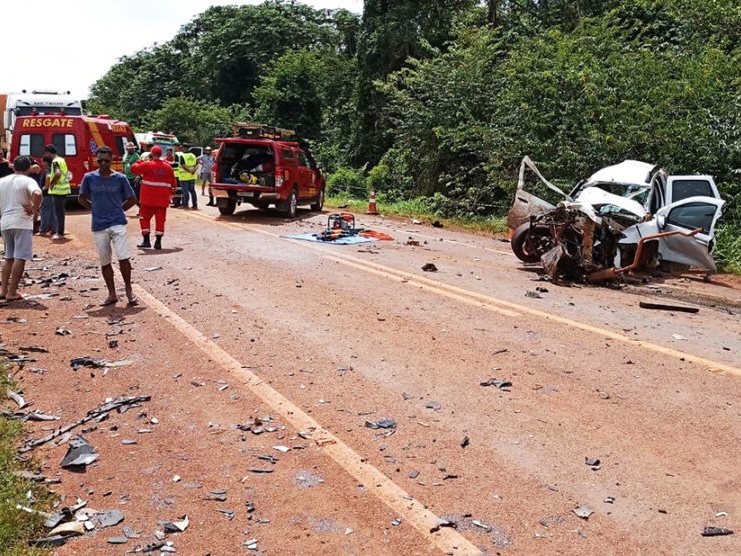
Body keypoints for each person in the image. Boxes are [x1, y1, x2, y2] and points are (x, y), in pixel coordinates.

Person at [78, 146, 139, 306]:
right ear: (96, 160)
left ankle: (128, 290)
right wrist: (94, 208)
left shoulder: (120, 178)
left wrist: (120, 210)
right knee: (105, 261)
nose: (103, 163)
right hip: (99, 225)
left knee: (123, 257)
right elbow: (81, 198)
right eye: (100, 161)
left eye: (106, 160)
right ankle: (112, 293)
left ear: (112, 160)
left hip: (118, 223)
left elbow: (132, 198)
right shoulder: (89, 178)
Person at [0, 156, 43, 301]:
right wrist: (34, 210)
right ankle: (12, 292)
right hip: (21, 222)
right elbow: (37, 193)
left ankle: (3, 290)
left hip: (5, 222)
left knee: (8, 257)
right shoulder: (28, 180)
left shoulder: (2, 181)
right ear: (28, 168)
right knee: (20, 257)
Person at [130, 145, 177, 250]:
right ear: (161, 154)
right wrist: (171, 196)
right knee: (160, 221)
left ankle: (146, 241)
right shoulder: (168, 167)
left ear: (151, 154)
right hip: (162, 200)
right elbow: (173, 183)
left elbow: (133, 169)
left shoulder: (147, 165)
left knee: (144, 218)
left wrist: (140, 161)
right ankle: (158, 242)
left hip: (148, 200)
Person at [43, 144, 70, 240]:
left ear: (49, 153)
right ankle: (60, 231)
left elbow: (57, 173)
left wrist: (52, 184)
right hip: (64, 189)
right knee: (60, 212)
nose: (46, 155)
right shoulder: (61, 159)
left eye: (46, 153)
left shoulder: (55, 162)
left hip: (58, 190)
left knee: (58, 213)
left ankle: (60, 232)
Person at [37, 158, 57, 235]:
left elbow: (48, 177)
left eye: (42, 161)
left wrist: (45, 187)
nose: (41, 163)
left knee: (44, 211)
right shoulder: (53, 169)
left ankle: (43, 230)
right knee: (51, 211)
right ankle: (54, 229)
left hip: (47, 194)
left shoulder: (47, 170)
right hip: (53, 193)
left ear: (46, 162)